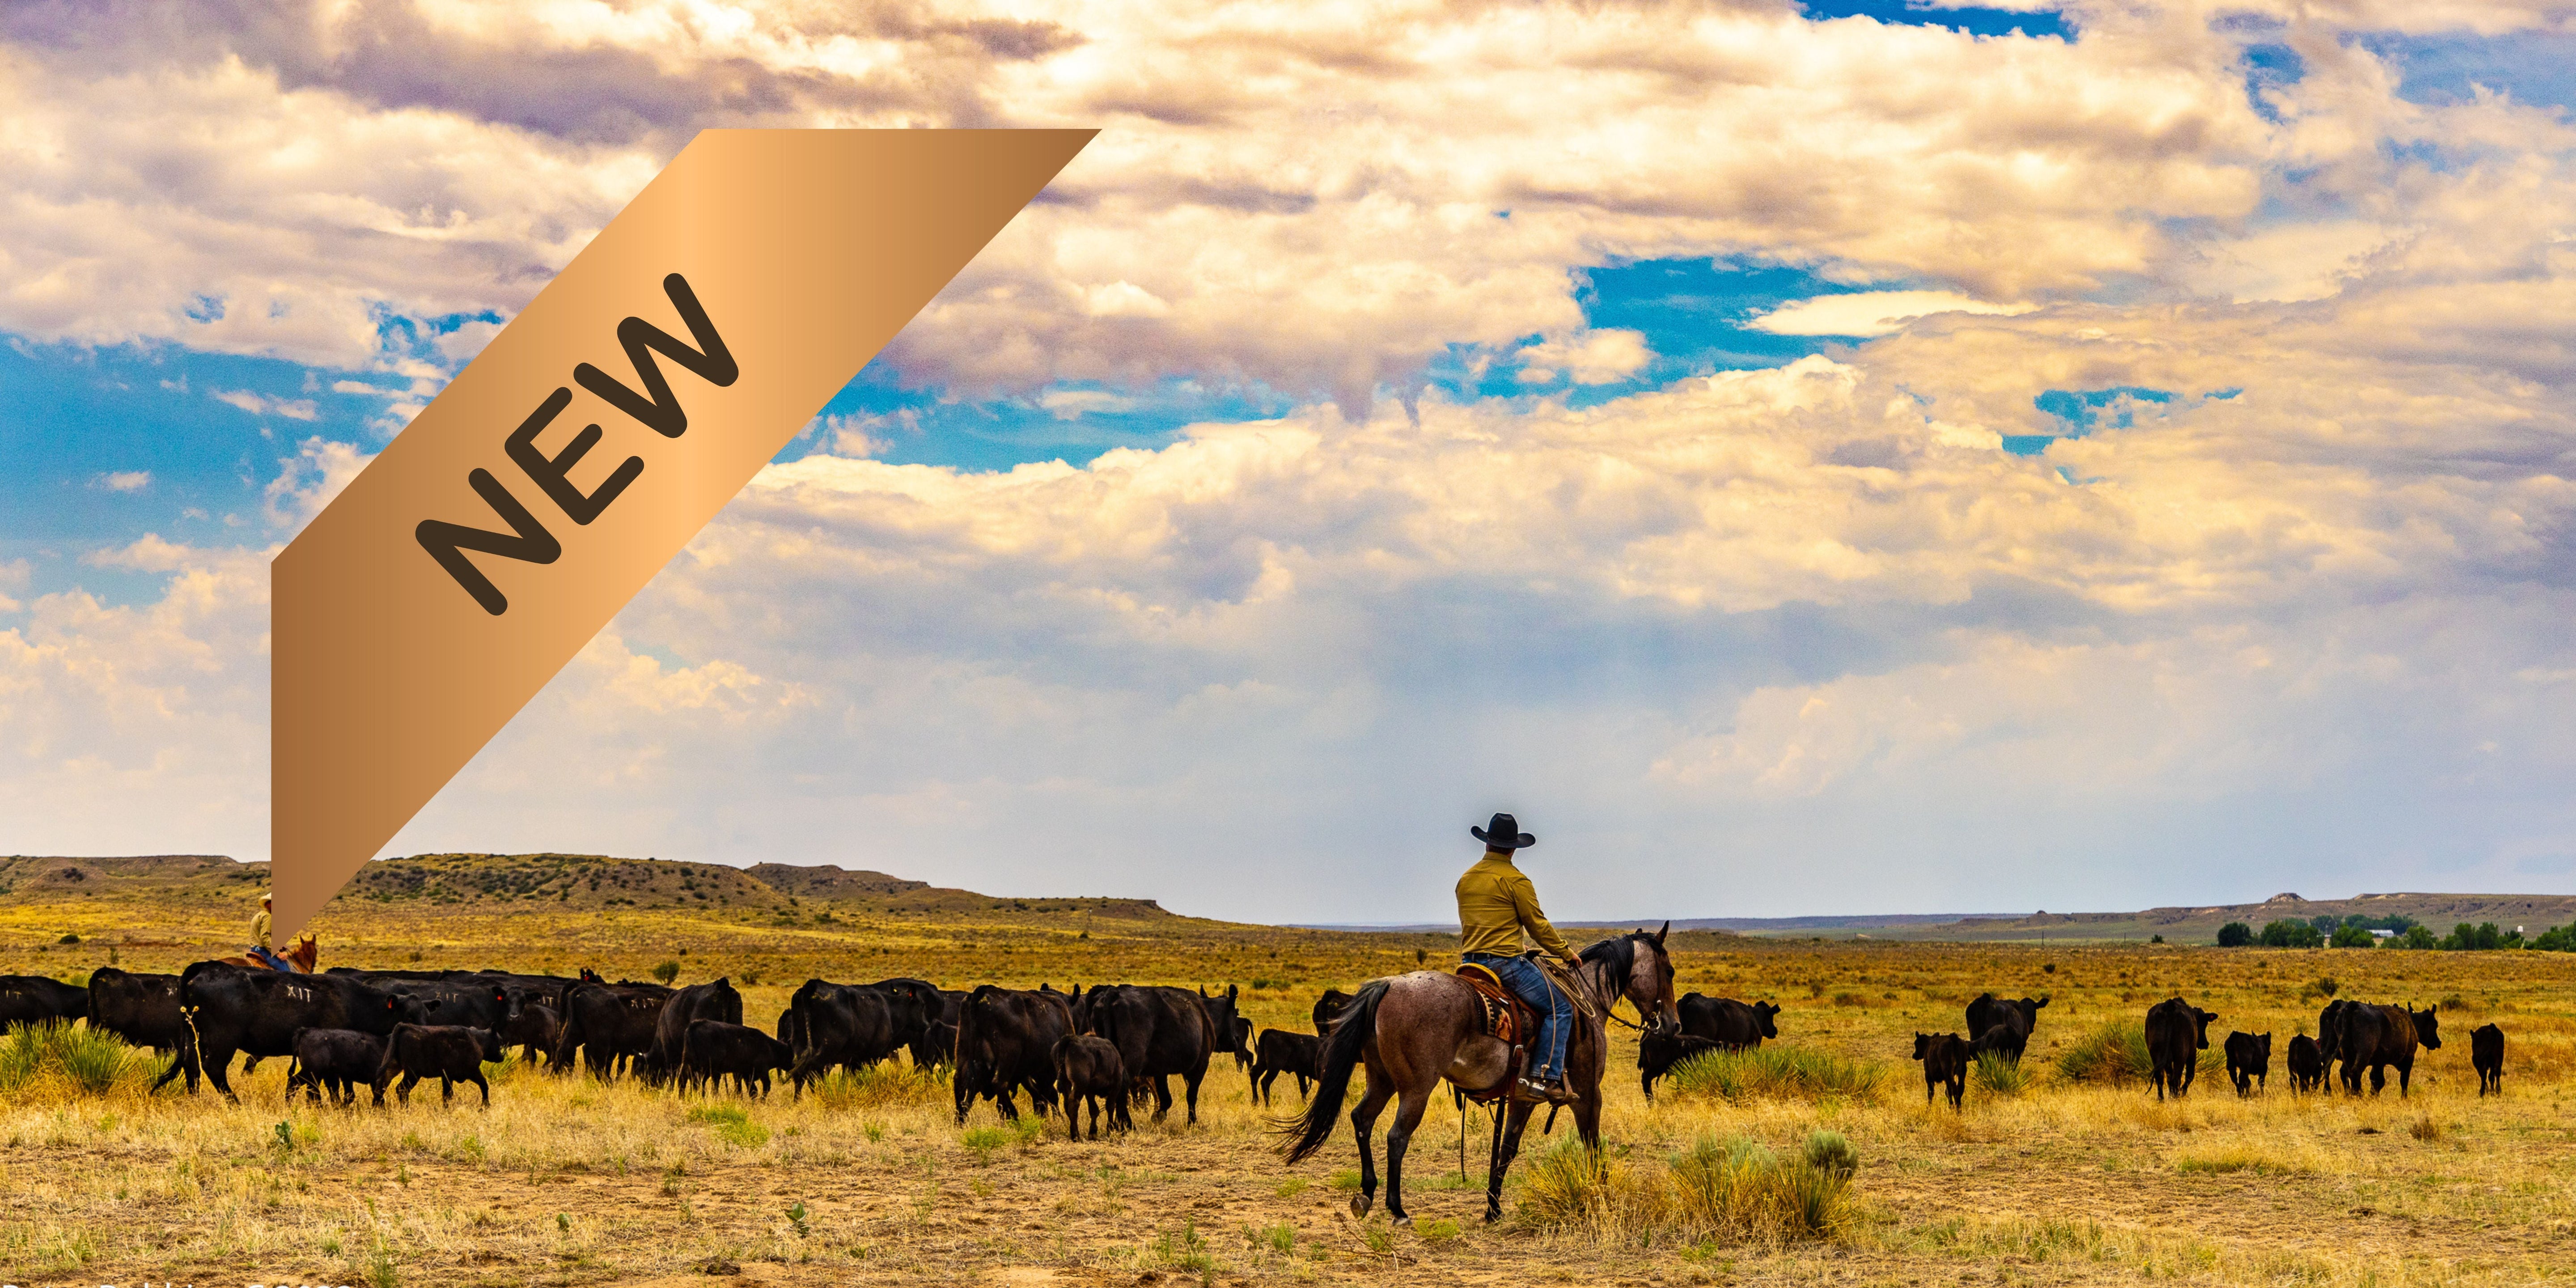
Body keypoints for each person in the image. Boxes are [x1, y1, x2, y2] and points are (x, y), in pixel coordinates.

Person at [1455, 812, 1580, 1101]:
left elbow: (1480, 923)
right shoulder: (1517, 881)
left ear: (1487, 844)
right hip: (1505, 966)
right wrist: (1566, 952)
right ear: (1513, 849)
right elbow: (1538, 927)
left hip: (1470, 964)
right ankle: (1544, 1078)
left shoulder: (1466, 880)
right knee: (1561, 1008)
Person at [248, 893, 292, 971]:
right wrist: (278, 953)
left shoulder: (260, 915)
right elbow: (264, 937)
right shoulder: (268, 917)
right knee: (287, 972)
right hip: (262, 950)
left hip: (255, 948)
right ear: (268, 904)